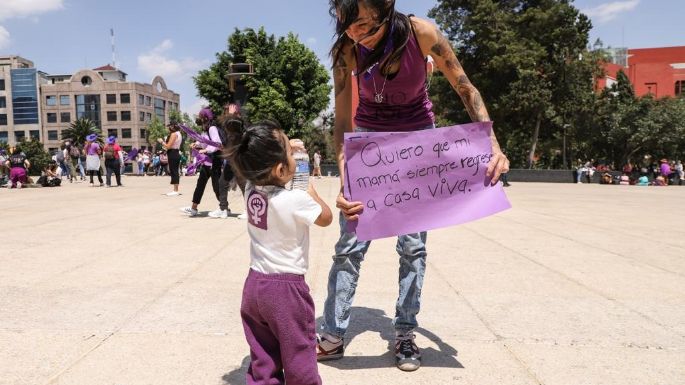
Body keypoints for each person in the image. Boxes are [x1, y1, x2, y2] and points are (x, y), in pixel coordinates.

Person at [317, 0, 509, 372]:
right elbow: (342, 120)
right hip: (371, 142)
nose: (357, 34)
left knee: (413, 247)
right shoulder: (346, 49)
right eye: (348, 26)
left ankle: (405, 332)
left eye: (367, 27)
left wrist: (493, 145)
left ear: (388, 11)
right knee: (349, 245)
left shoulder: (423, 34)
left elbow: (466, 88)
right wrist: (346, 177)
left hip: (418, 141)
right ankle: (333, 334)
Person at [227, 120, 333, 385]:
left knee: (264, 356)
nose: (293, 152)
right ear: (280, 167)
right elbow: (326, 218)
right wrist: (311, 190)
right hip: (287, 291)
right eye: (289, 151)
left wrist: (286, 149)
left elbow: (256, 167)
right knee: (299, 353)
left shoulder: (251, 191)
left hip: (255, 286)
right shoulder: (296, 200)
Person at [180, 108, 223, 217]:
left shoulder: (212, 128)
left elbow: (216, 144)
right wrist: (196, 144)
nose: (198, 117)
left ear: (205, 117)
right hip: (207, 161)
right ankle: (194, 208)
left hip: (214, 161)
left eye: (200, 115)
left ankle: (224, 207)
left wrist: (206, 150)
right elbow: (204, 142)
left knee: (216, 186)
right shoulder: (205, 129)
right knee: (200, 185)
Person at [210, 103, 247, 219]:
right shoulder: (230, 123)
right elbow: (230, 139)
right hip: (231, 157)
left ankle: (249, 210)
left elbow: (237, 135)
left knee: (243, 184)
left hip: (237, 157)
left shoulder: (238, 122)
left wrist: (232, 115)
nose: (225, 113)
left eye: (227, 111)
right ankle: (223, 209)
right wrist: (223, 147)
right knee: (223, 183)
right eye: (225, 111)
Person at [160, 123, 183, 196]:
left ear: (173, 127)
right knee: (174, 171)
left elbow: (168, 146)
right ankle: (175, 189)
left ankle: (175, 190)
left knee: (174, 171)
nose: (168, 128)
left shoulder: (174, 134)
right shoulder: (179, 133)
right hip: (175, 153)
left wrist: (162, 142)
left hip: (173, 153)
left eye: (169, 126)